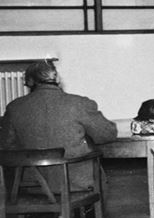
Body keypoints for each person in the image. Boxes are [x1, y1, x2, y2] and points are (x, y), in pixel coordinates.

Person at [0, 59, 117, 191]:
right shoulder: (79, 103)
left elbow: (6, 146)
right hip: (77, 185)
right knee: (99, 178)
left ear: (29, 82)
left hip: (33, 186)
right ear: (57, 79)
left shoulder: (14, 107)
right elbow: (107, 134)